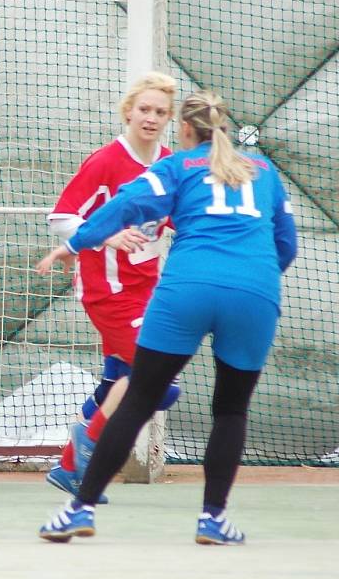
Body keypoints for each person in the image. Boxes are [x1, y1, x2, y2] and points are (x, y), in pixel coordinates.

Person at [37, 90, 297, 545]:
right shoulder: (266, 172)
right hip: (255, 293)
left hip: (187, 289)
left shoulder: (175, 167)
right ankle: (212, 519)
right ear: (224, 127)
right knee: (231, 410)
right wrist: (251, 279)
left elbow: (122, 207)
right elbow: (286, 245)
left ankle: (79, 510)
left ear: (184, 129)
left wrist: (76, 244)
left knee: (140, 396)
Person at [36, 72, 182, 502]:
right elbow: (61, 217)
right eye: (144, 109)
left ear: (170, 118)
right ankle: (87, 446)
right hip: (108, 292)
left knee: (118, 382)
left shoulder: (170, 165)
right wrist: (107, 234)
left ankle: (69, 468)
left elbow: (177, 217)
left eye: (160, 112)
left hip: (147, 291)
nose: (151, 118)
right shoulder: (105, 162)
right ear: (128, 112)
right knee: (157, 381)